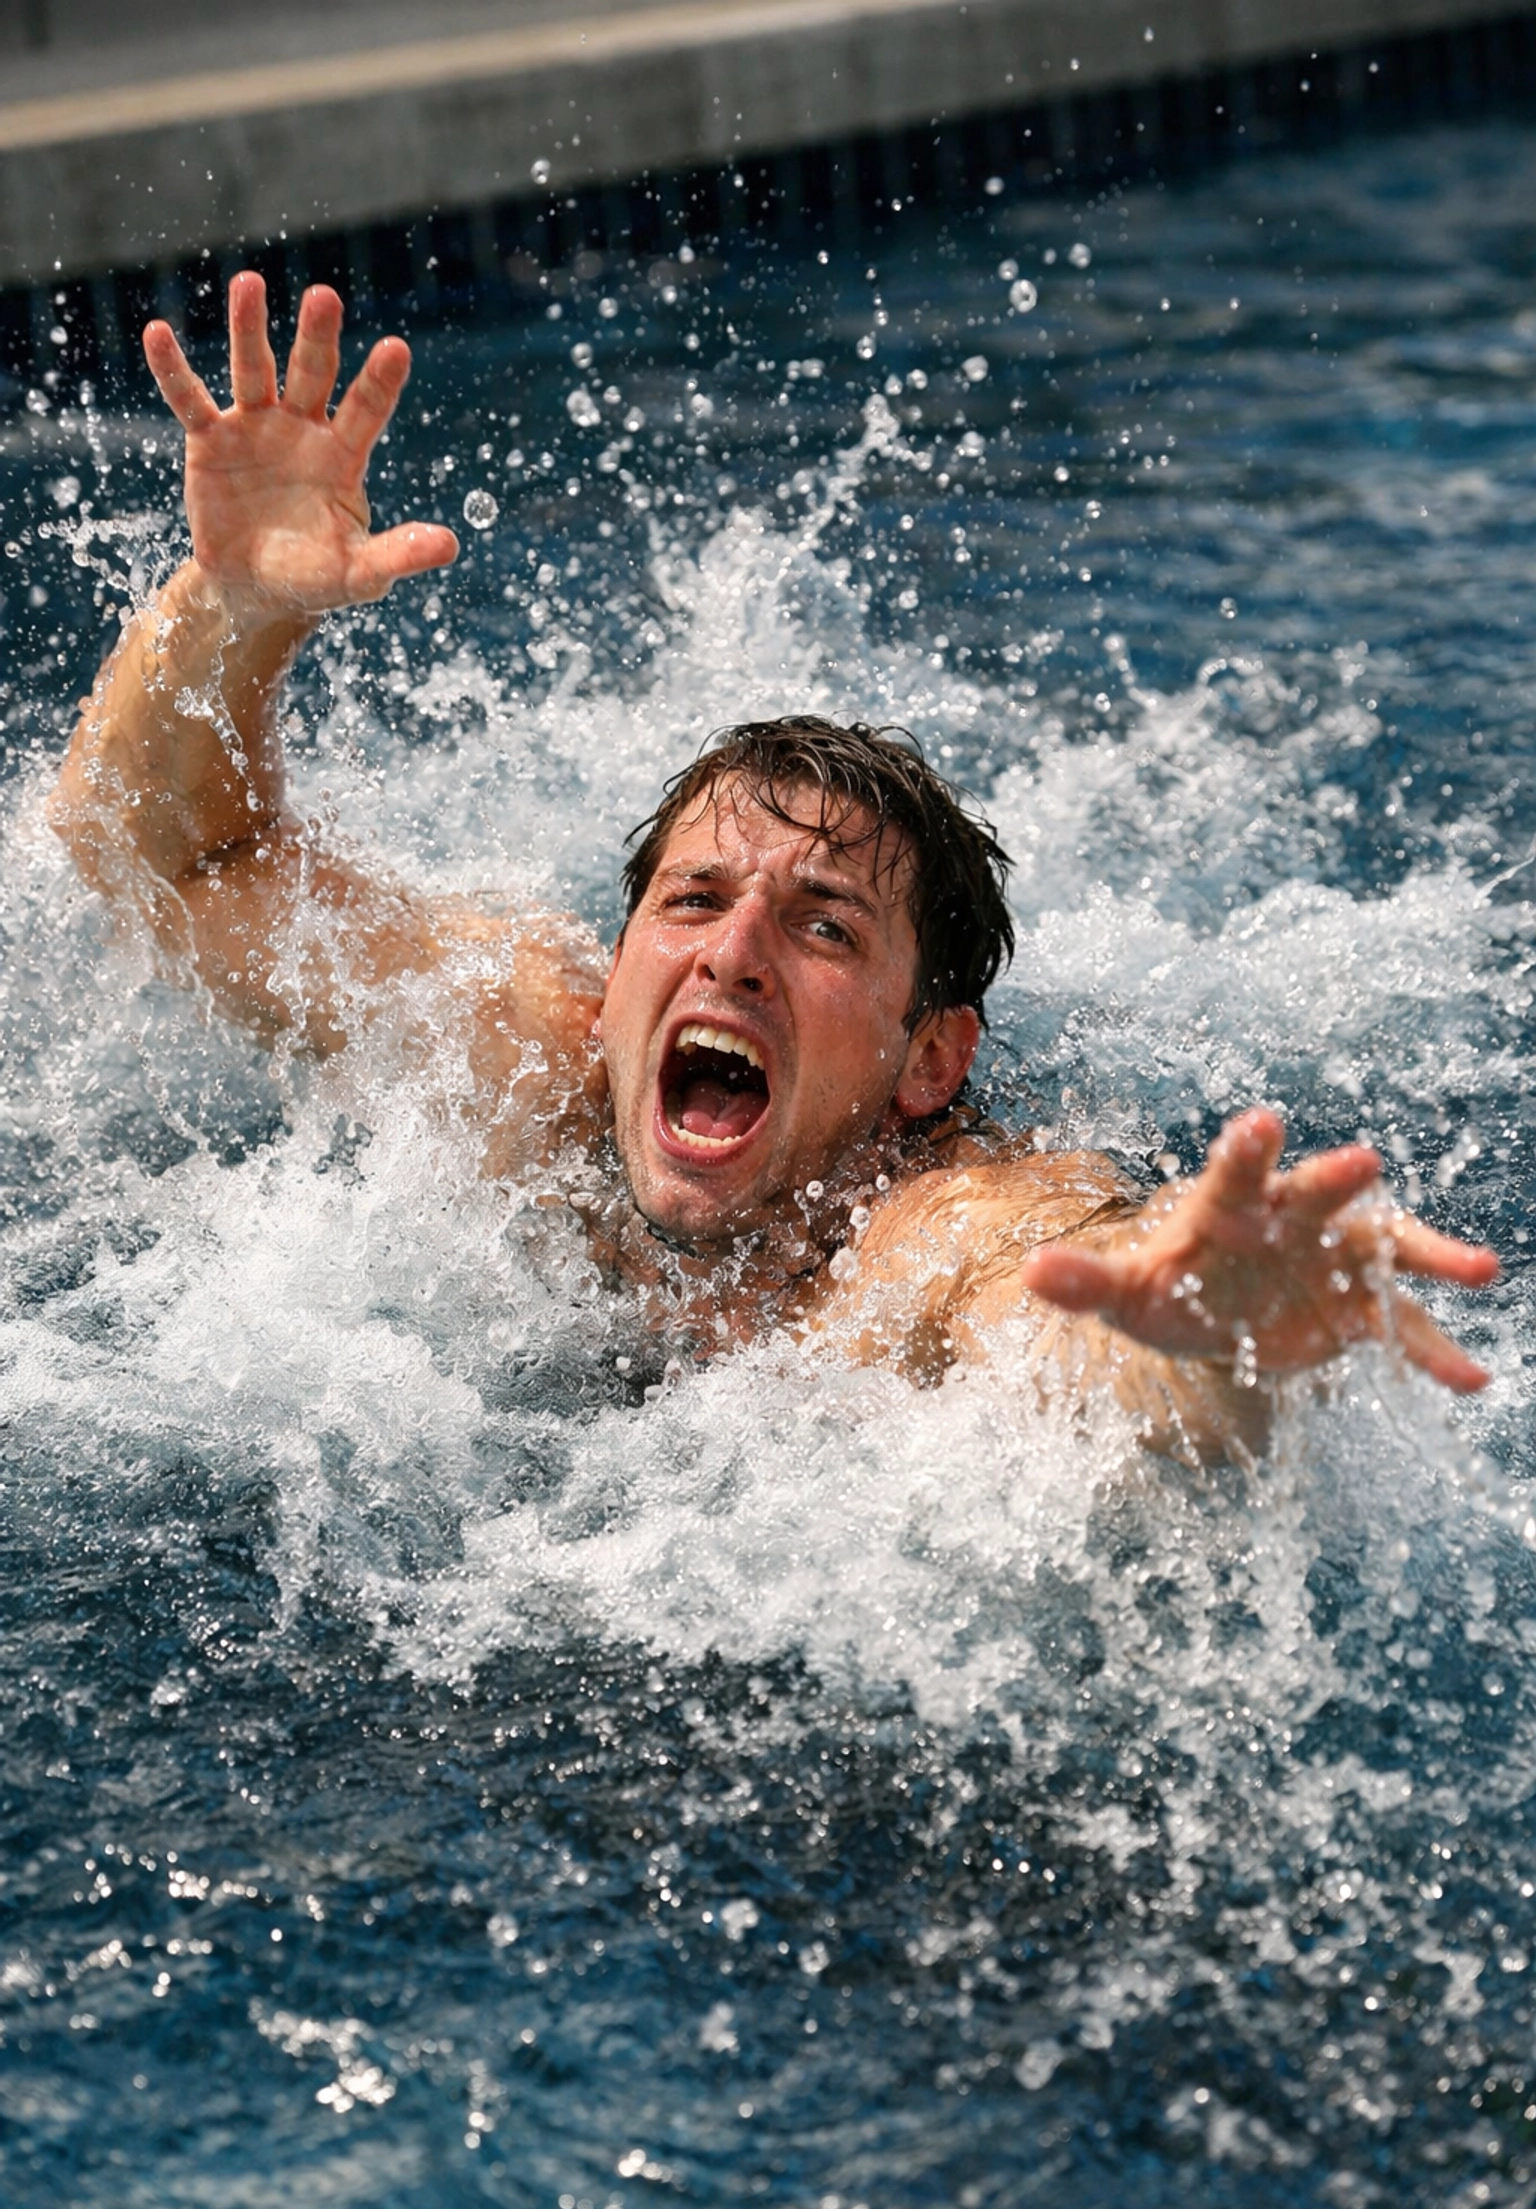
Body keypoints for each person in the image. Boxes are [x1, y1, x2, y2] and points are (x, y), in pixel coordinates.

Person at [47, 274, 1501, 1461]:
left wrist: (1202, 1344)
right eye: (690, 901)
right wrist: (227, 611)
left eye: (821, 927)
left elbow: (1064, 1327)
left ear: (928, 1064)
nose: (731, 951)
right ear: (616, 978)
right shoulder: (519, 1050)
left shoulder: (927, 1230)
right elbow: (162, 863)